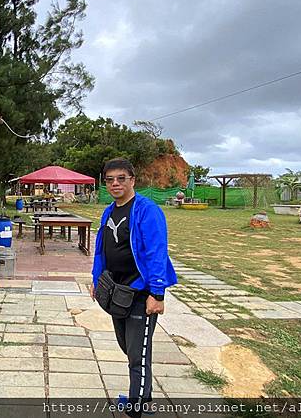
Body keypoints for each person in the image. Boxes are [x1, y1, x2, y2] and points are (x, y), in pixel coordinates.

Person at [90, 158, 177, 418]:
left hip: (141, 294)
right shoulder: (109, 211)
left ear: (132, 180)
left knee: (137, 355)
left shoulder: (147, 210)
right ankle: (142, 395)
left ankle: (137, 408)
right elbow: (100, 250)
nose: (115, 183)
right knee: (128, 347)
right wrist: (96, 281)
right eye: (110, 179)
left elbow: (156, 253)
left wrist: (157, 294)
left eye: (121, 178)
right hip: (116, 292)